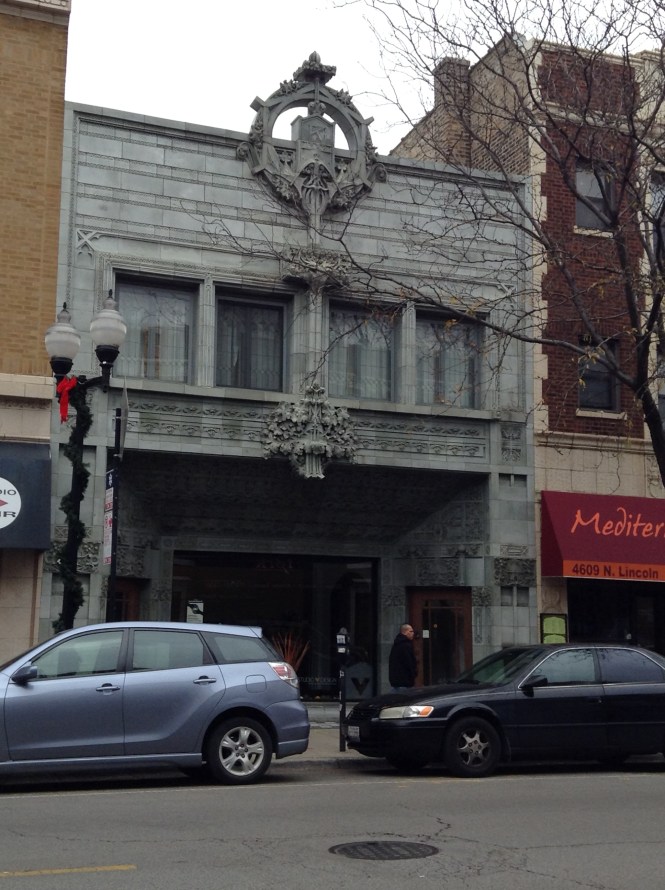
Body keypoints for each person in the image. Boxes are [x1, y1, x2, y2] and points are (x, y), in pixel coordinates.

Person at [388, 623, 417, 692]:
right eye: (411, 631)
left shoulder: (396, 644)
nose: (413, 633)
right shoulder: (405, 646)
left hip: (396, 682)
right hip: (404, 682)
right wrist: (413, 674)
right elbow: (409, 663)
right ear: (405, 632)